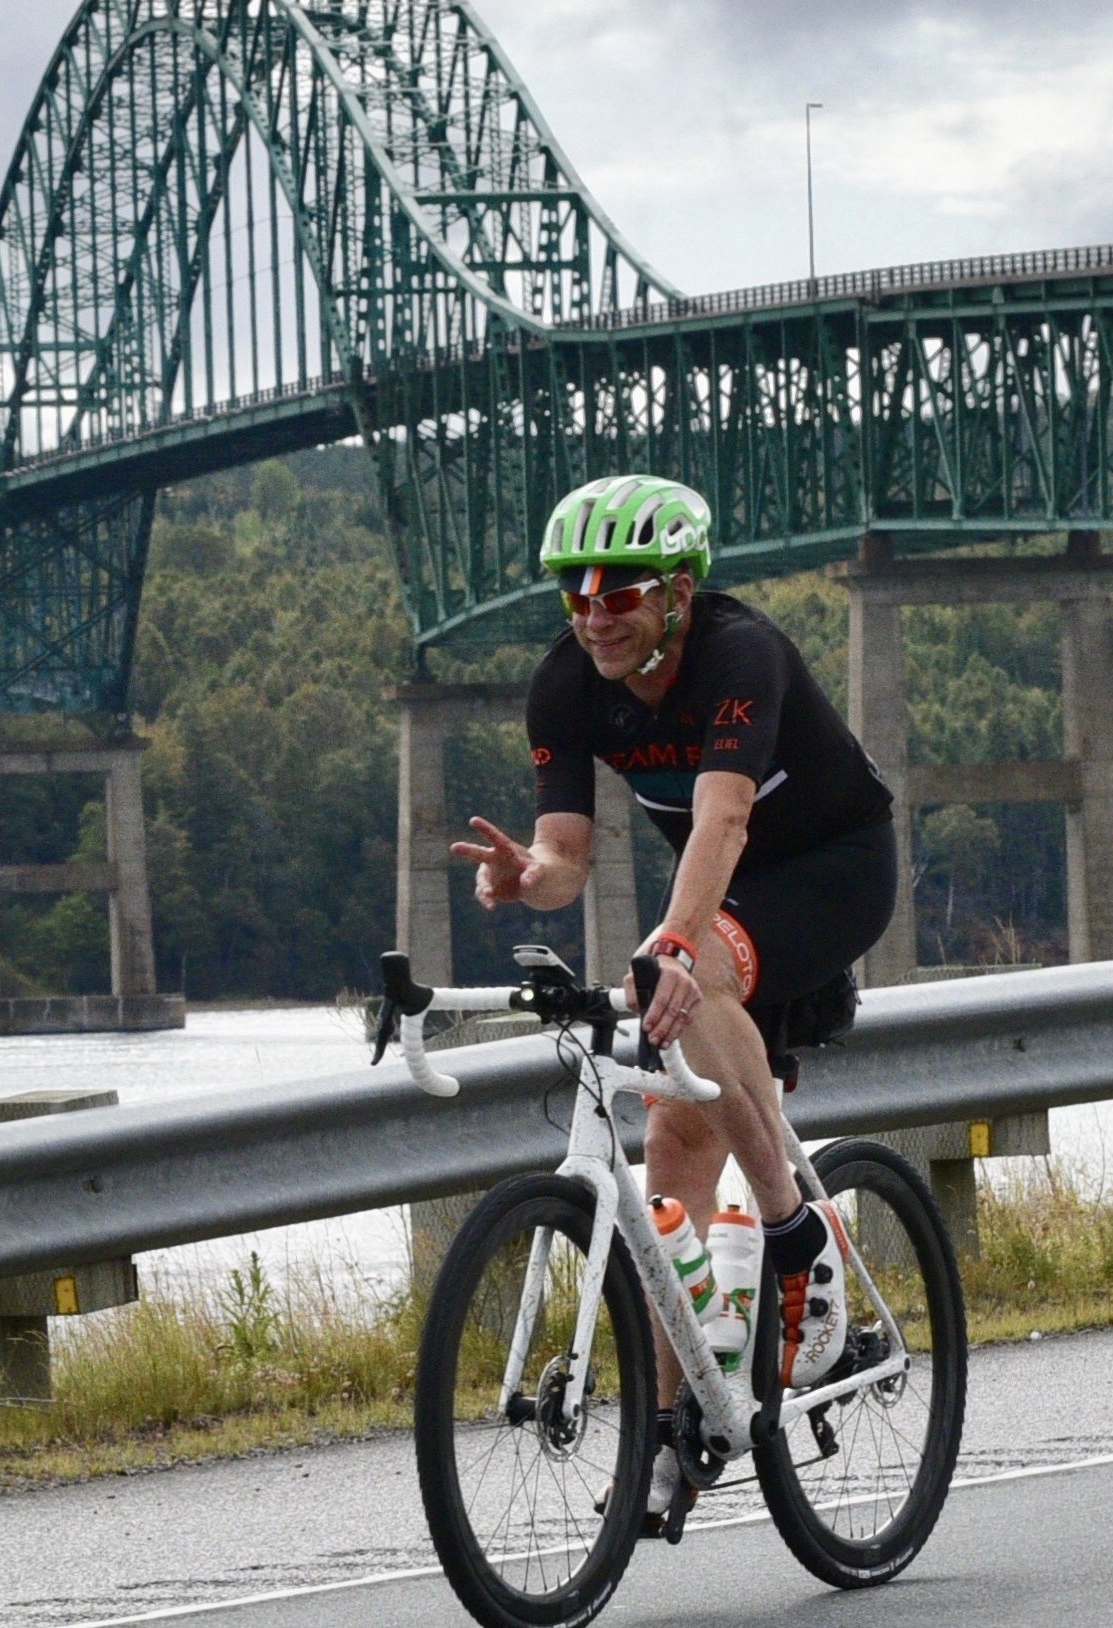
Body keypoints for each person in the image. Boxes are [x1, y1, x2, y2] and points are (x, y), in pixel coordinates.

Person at [451, 473, 897, 1521]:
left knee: (690, 989)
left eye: (621, 592)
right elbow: (566, 854)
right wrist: (529, 878)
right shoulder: (565, 683)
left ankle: (797, 1241)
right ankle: (674, 1424)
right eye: (577, 593)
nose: (596, 614)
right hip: (724, 893)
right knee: (672, 1148)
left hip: (833, 868)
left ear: (680, 593)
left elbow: (724, 819)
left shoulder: (741, 654)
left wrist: (675, 942)